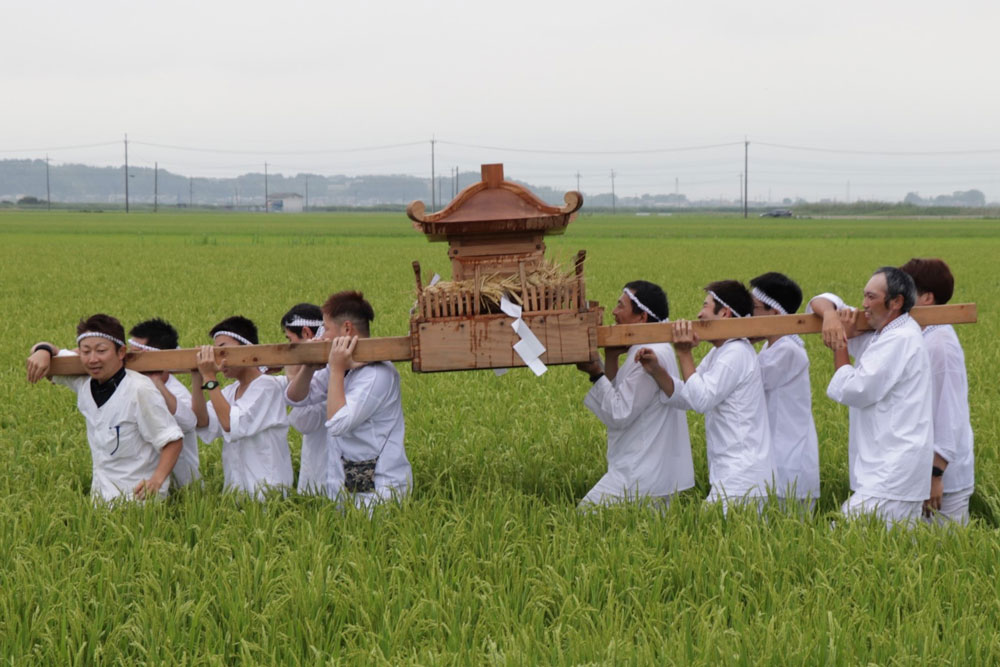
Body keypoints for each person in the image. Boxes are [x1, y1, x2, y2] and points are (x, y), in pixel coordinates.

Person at [809, 267, 933, 528]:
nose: (864, 304)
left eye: (871, 297)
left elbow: (855, 389)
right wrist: (831, 316)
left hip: (893, 471)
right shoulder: (884, 331)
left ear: (896, 302)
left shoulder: (899, 339)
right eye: (864, 296)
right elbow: (820, 300)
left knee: (842, 532)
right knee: (892, 545)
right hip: (890, 470)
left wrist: (840, 344)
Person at [636, 281, 774, 514]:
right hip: (733, 474)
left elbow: (701, 400)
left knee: (706, 531)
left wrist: (684, 353)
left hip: (742, 477)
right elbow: (690, 396)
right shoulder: (720, 352)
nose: (699, 314)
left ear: (725, 313)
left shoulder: (736, 353)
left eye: (705, 306)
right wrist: (657, 371)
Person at [25, 314, 183, 502]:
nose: (92, 359)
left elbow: (172, 440)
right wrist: (42, 350)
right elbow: (49, 352)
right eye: (85, 351)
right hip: (101, 499)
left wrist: (156, 481)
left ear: (121, 352)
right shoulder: (83, 382)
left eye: (101, 351)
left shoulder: (140, 390)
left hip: (139, 501)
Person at [285, 290, 411, 509]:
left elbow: (337, 423)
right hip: (346, 489)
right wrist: (309, 367)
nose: (323, 336)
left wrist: (336, 368)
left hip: (380, 494)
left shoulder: (376, 374)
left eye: (326, 328)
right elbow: (295, 398)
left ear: (346, 329)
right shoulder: (344, 367)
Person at [575, 281, 694, 510]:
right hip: (647, 470)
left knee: (585, 516)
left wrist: (595, 373)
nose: (614, 312)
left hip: (639, 473)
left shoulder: (648, 355)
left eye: (621, 306)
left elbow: (618, 413)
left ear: (642, 317)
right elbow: (617, 394)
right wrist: (611, 358)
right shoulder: (653, 346)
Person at [900, 258, 974, 525]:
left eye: (906, 291)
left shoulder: (940, 343)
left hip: (944, 481)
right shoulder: (920, 334)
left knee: (947, 549)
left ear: (927, 298)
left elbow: (949, 414)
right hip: (925, 473)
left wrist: (935, 475)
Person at [191, 315, 293, 498]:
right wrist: (198, 376)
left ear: (246, 349)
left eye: (223, 350)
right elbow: (201, 421)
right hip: (237, 494)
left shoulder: (267, 386)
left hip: (267, 494)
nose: (218, 359)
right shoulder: (230, 391)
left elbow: (230, 423)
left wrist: (210, 378)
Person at [748, 272, 820, 510]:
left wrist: (740, 342)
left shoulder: (786, 351)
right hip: (780, 456)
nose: (748, 315)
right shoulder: (773, 347)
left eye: (753, 307)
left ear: (775, 312)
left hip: (789, 460)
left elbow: (746, 381)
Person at [128, 318, 202, 488]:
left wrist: (157, 382)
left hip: (183, 488)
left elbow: (190, 422)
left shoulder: (176, 392)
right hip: (143, 485)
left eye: (137, 355)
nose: (131, 361)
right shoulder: (131, 385)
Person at [279, 303, 343, 496]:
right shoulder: (331, 367)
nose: (290, 347)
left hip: (325, 470)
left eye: (290, 340)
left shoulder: (325, 373)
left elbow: (303, 422)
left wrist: (292, 375)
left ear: (306, 333)